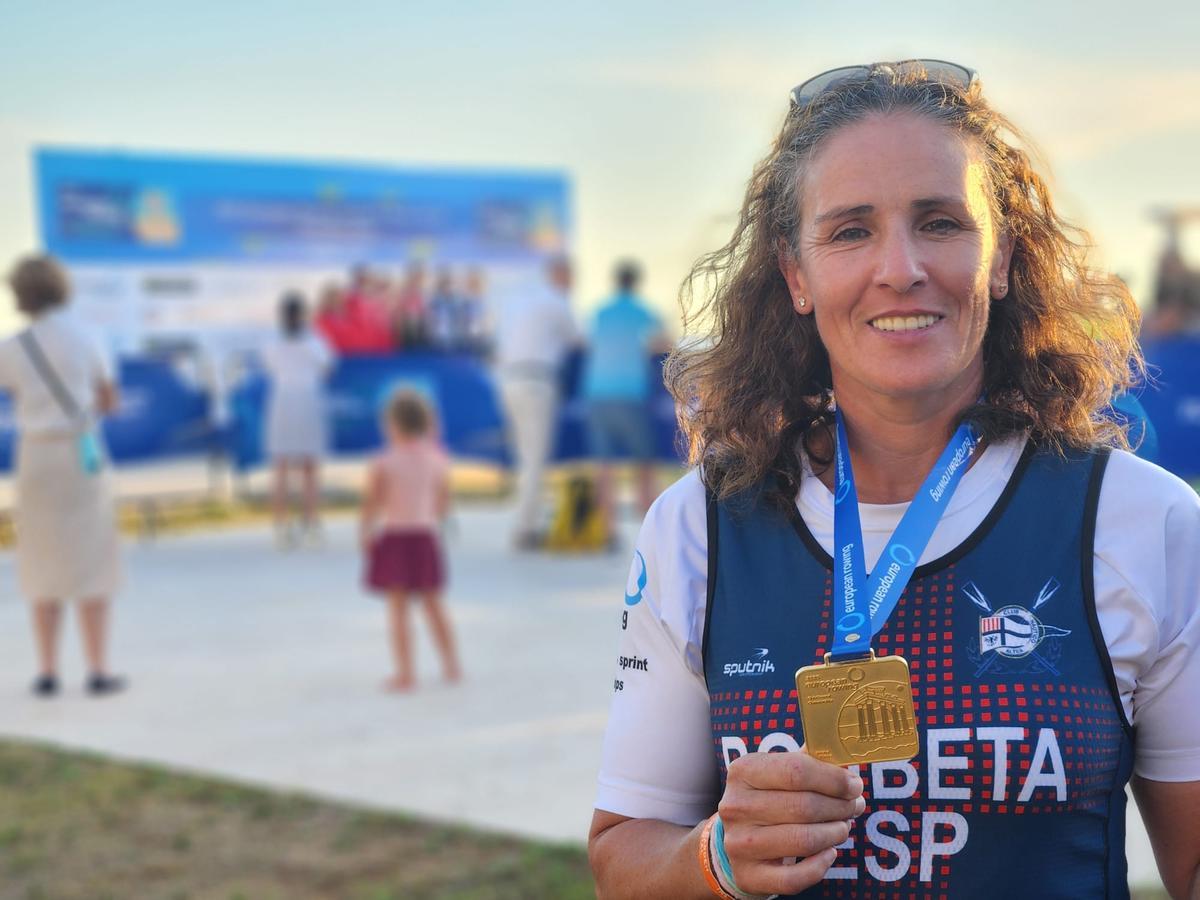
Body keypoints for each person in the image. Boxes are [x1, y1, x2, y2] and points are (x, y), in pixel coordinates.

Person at [588, 61, 1200, 899]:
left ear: (1003, 258)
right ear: (796, 276)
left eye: (942, 222)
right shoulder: (698, 525)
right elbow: (623, 857)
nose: (901, 267)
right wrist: (714, 859)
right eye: (849, 232)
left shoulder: (1142, 521)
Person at [0, 255, 125, 697]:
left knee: (40, 559)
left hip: (34, 456)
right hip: (80, 451)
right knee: (92, 559)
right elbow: (109, 400)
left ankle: (48, 670)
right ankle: (98, 668)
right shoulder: (88, 336)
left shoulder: (11, 346)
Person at [360, 388, 461, 691]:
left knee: (398, 609)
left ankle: (406, 673)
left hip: (396, 537)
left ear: (392, 424)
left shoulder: (384, 461)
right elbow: (443, 502)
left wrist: (365, 533)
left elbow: (372, 503)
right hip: (425, 536)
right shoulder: (437, 459)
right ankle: (451, 665)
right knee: (433, 604)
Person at [493, 255, 580, 549]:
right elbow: (577, 341)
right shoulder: (556, 301)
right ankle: (525, 528)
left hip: (509, 380)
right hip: (536, 381)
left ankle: (525, 520)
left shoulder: (520, 303)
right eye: (571, 274)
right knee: (533, 458)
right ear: (560, 273)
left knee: (523, 456)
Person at [582, 260, 669, 537]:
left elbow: (586, 344)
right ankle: (651, 527)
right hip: (631, 393)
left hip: (597, 392)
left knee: (604, 464)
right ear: (636, 283)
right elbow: (664, 342)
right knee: (644, 460)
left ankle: (606, 529)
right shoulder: (643, 311)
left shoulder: (600, 312)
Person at [261, 292, 335, 547]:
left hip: (282, 402)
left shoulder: (272, 342)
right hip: (308, 401)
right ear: (303, 315)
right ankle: (311, 522)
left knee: (281, 465)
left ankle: (281, 527)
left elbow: (270, 367)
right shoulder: (315, 342)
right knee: (309, 466)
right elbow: (328, 368)